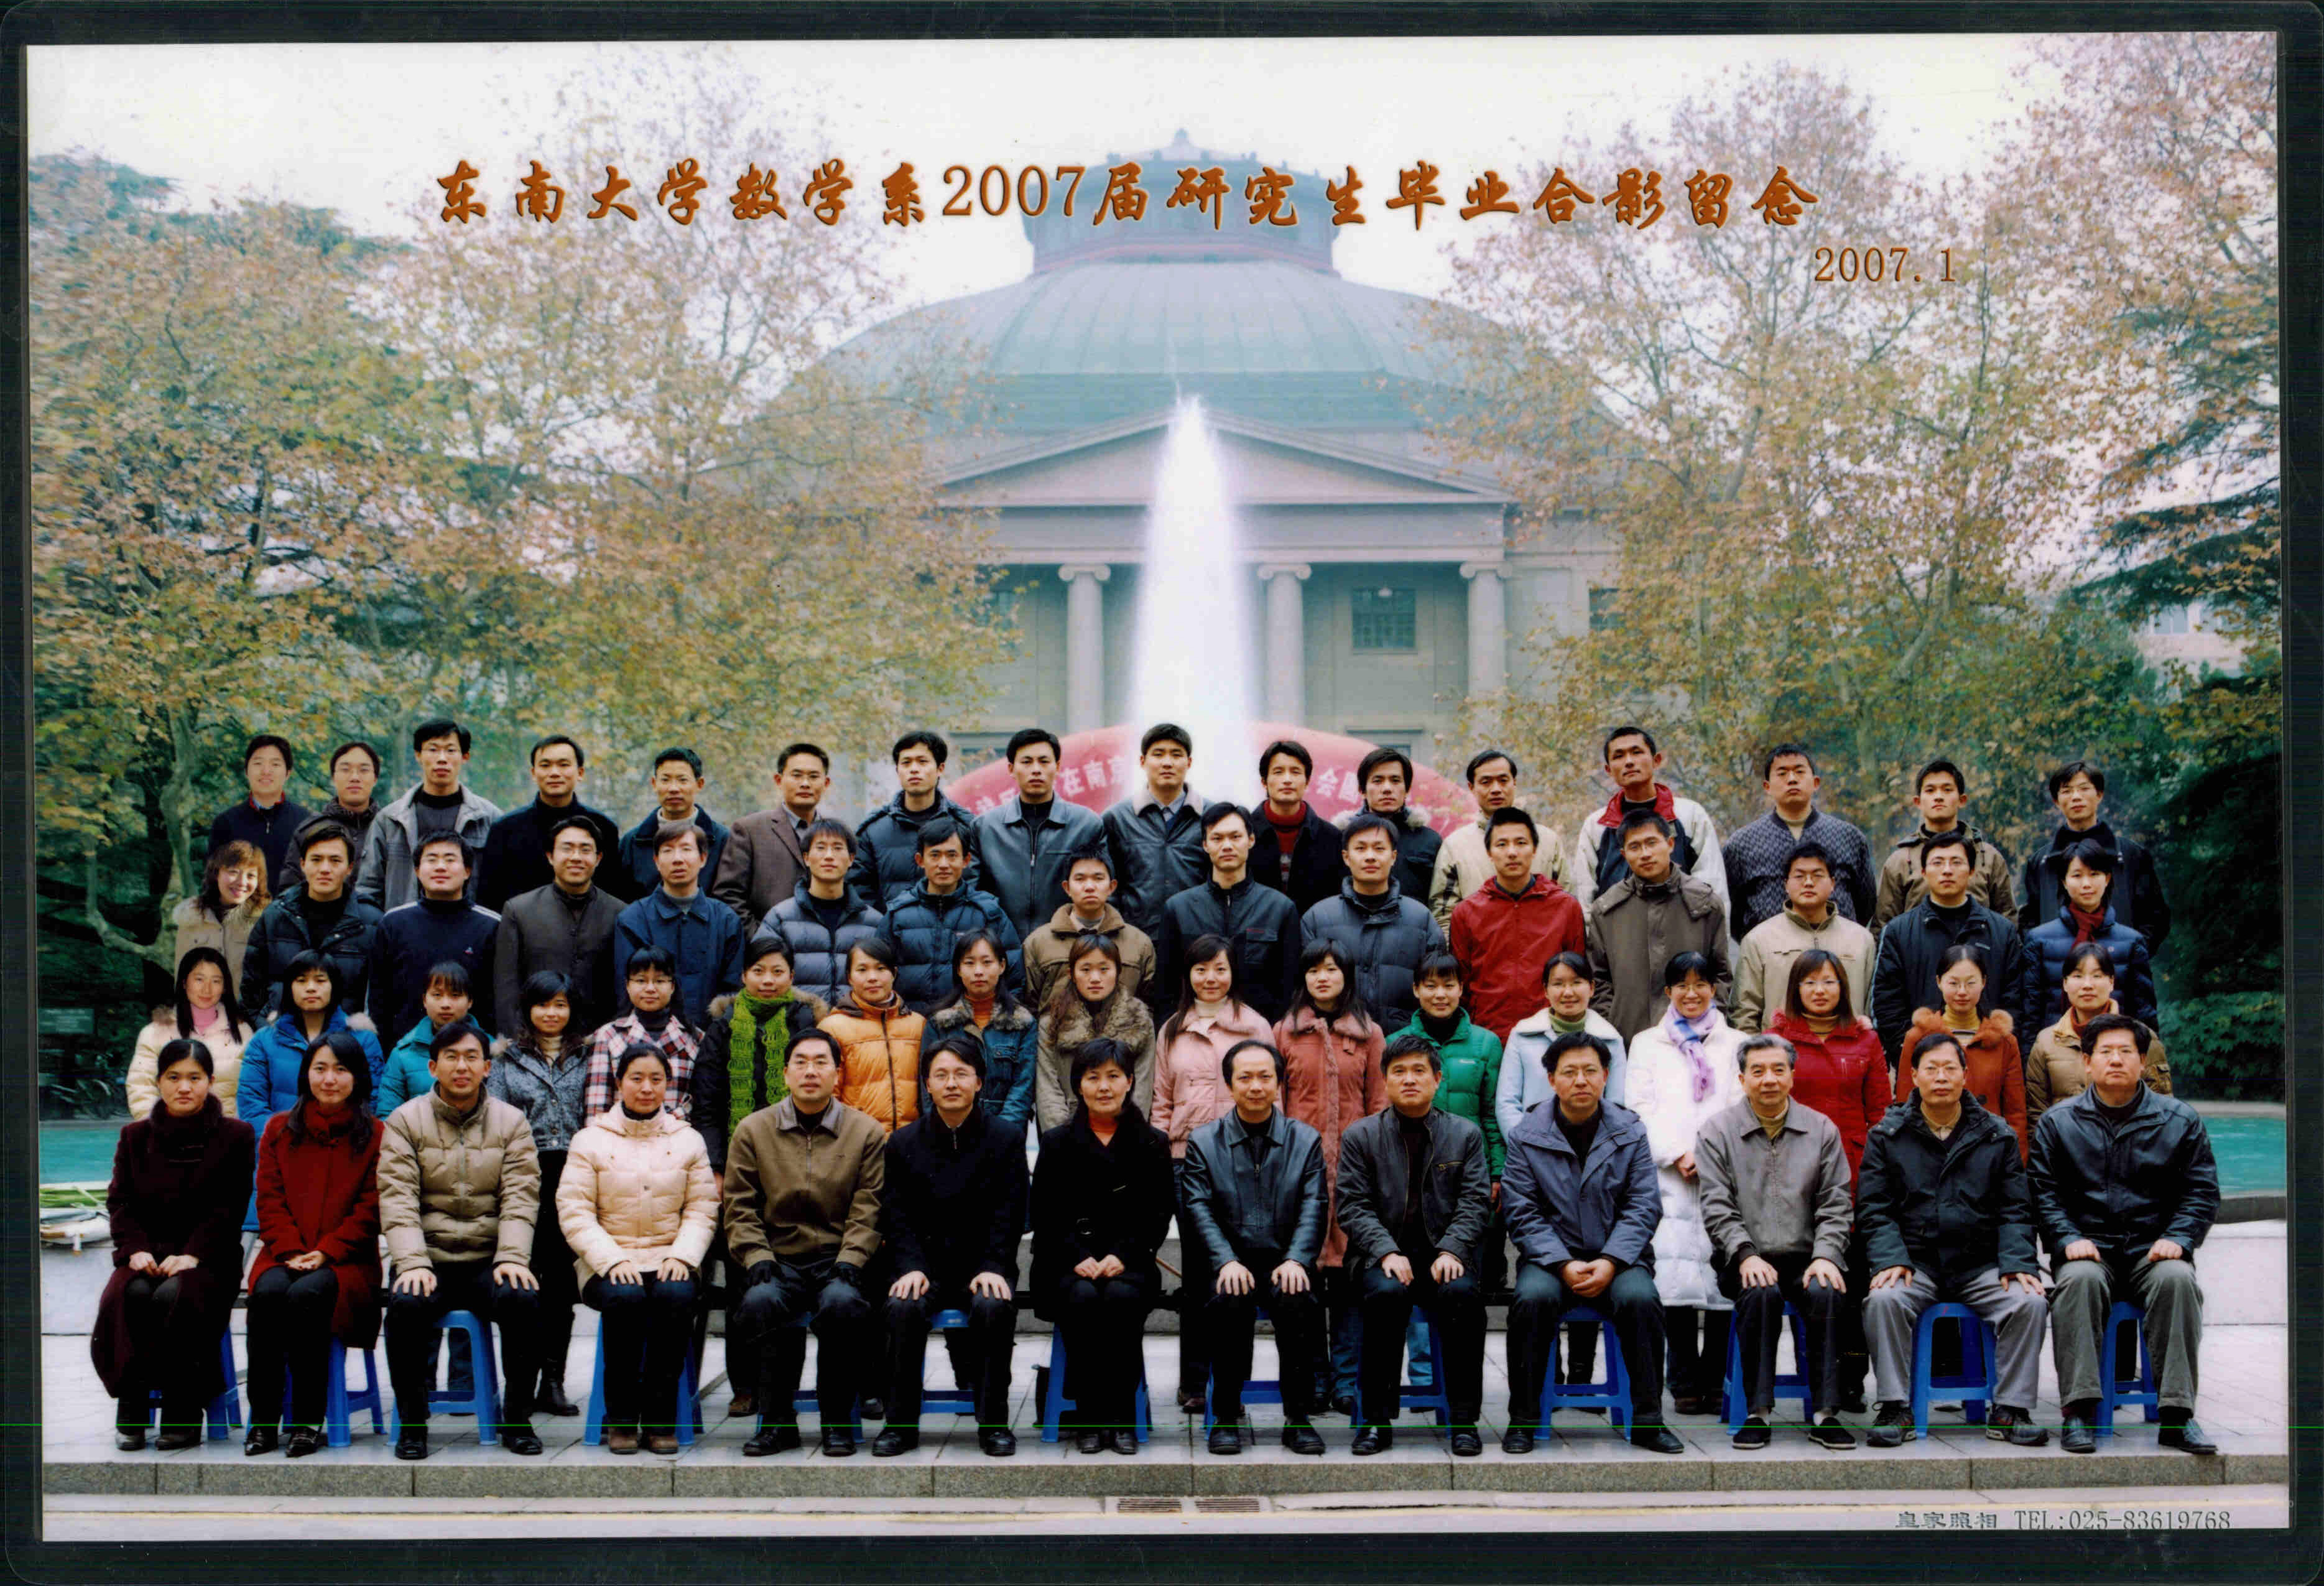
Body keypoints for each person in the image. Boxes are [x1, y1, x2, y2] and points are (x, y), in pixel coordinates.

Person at [2030, 1014, 2220, 1456]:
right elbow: (2041, 1192)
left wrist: (2179, 1237)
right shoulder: (2058, 1123)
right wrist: (2066, 1238)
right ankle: (2078, 1411)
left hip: (2152, 1251)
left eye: (2126, 1052)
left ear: (2143, 1061)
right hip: (2088, 1249)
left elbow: (2202, 1191)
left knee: (2178, 1280)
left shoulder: (2179, 1120)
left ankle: (2177, 1415)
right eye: (2105, 1052)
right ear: (2087, 1062)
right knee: (2078, 1281)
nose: (2115, 1060)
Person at [1857, 1032, 2050, 1449]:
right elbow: (1874, 1208)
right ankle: (1895, 1406)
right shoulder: (1888, 1134)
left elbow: (2016, 1208)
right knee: (1884, 1300)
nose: (1941, 1077)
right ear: (1914, 1076)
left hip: (1980, 1264)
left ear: (1965, 1074)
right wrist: (1890, 1258)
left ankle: (2011, 1409)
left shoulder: (1996, 1134)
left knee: (2029, 1301)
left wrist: (2017, 1262)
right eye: (1931, 1069)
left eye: (1949, 1068)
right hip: (1916, 1264)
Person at [1499, 1032, 1683, 1455]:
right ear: (1551, 1080)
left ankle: (1648, 1421)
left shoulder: (1630, 1130)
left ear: (1605, 1076)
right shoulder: (1527, 1134)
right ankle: (1523, 1420)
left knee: (1640, 1300)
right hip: (1550, 1261)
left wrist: (1611, 1260)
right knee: (1531, 1301)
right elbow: (1521, 1210)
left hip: (1619, 1259)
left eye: (1589, 1071)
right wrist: (1562, 1263)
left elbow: (1643, 1204)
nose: (1580, 1080)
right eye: (1569, 1072)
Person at [377, 1021, 546, 1460]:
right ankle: (413, 1424)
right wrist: (412, 1262)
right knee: (405, 1305)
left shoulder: (511, 1122)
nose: (461, 1066)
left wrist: (512, 1257)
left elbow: (521, 1197)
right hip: (428, 1258)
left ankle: (517, 1419)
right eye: (450, 1057)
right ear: (433, 1067)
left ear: (487, 1067)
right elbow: (397, 1199)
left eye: (472, 1057)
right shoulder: (404, 1120)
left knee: (524, 1298)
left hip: (487, 1260)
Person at [721, 1028, 885, 1458]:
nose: (810, 1072)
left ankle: (836, 1422)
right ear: (785, 1073)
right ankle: (778, 1423)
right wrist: (756, 1255)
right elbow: (738, 1205)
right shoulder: (753, 1130)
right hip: (778, 1259)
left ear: (837, 1073)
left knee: (842, 1304)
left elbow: (869, 1205)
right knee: (761, 1302)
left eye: (820, 1062)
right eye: (801, 1062)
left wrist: (853, 1258)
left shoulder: (865, 1132)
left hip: (838, 1259)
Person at [1693, 1031, 1857, 1450]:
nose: (1769, 1079)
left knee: (1827, 1291)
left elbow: (1836, 1202)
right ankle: (1758, 1412)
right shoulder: (1717, 1132)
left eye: (1778, 1070)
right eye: (1758, 1071)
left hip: (1808, 1257)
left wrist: (1827, 1255)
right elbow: (1716, 1207)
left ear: (1792, 1076)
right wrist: (1745, 1254)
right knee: (1760, 1292)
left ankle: (1825, 1413)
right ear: (1742, 1079)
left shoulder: (1821, 1129)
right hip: (1745, 1258)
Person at [91, 1039, 255, 1452]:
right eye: (174, 1077)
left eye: (194, 1078)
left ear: (210, 1082)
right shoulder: (134, 1137)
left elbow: (229, 1206)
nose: (184, 1087)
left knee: (173, 1296)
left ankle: (183, 1412)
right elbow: (120, 1202)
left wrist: (193, 1254)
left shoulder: (236, 1135)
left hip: (210, 1257)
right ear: (159, 1082)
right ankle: (131, 1409)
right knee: (129, 1293)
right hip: (146, 1254)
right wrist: (134, 1250)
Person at [1336, 1031, 1493, 1457]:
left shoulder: (1464, 1134)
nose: (1409, 1079)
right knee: (1385, 1296)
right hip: (1380, 1257)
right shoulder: (1361, 1136)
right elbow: (1352, 1205)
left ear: (1437, 1080)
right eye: (1399, 1071)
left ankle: (1463, 1421)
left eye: (1419, 1071)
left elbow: (1476, 1202)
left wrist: (1453, 1248)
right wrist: (1385, 1250)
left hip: (1445, 1255)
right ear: (1384, 1080)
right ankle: (1375, 1420)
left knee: (1462, 1297)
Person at [690, 937, 829, 1417]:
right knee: (743, 1279)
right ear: (743, 976)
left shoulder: (806, 1024)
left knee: (795, 1278)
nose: (768, 980)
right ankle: (746, 1384)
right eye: (758, 971)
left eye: (777, 971)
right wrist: (716, 1168)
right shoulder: (723, 1026)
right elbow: (707, 1104)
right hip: (740, 1170)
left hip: (797, 1167)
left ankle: (792, 1386)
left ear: (792, 976)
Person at [557, 1042, 719, 1454]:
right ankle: (622, 1419)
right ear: (619, 1083)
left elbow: (702, 1208)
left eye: (656, 1079)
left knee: (676, 1296)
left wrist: (682, 1256)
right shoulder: (590, 1140)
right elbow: (575, 1211)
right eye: (637, 1078)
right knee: (625, 1298)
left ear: (668, 1085)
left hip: (670, 1256)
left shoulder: (688, 1140)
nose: (646, 1088)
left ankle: (661, 1420)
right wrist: (610, 1259)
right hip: (608, 1260)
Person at [875, 1029, 1029, 1457]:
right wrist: (910, 1266)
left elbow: (1011, 1213)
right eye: (940, 1075)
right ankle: (900, 1424)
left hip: (983, 1266)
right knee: (902, 1307)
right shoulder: (903, 1143)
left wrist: (994, 1266)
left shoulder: (1005, 1139)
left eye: (962, 1074)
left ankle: (993, 1423)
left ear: (979, 1081)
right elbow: (896, 1215)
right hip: (924, 1267)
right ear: (927, 1084)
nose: (951, 1084)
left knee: (993, 1305)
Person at [1180, 1040, 1330, 1457]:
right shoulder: (1204, 1141)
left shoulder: (1304, 1139)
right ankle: (1226, 1416)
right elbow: (1197, 1207)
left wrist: (1297, 1258)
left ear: (1279, 1082)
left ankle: (1297, 1418)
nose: (1256, 1086)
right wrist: (1225, 1260)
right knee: (1230, 1299)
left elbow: (1315, 1204)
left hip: (1286, 1260)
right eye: (1244, 1077)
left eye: (1265, 1076)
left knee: (1297, 1298)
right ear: (1229, 1085)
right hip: (1230, 1263)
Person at [1029, 1039, 1176, 1455]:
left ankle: (1123, 1418)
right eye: (1093, 1077)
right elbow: (1044, 1213)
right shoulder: (1057, 1142)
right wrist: (1078, 1257)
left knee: (1120, 1298)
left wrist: (1122, 1256)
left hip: (1130, 1262)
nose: (1104, 1087)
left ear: (1130, 1081)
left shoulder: (1152, 1142)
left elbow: (1158, 1214)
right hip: (1065, 1263)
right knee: (1081, 1299)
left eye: (1114, 1076)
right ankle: (1090, 1418)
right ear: (1079, 1085)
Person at [1148, 933, 1275, 1411]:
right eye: (1201, 969)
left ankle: (1230, 1383)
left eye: (1219, 968)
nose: (1210, 978)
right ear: (1188, 974)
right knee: (1200, 1273)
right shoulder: (1172, 1029)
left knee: (1234, 1272)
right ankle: (1194, 1382)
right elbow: (1161, 1102)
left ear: (1232, 972)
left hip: (1245, 1163)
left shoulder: (1254, 1026)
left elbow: (1273, 1096)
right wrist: (1163, 1158)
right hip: (1186, 1162)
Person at [243, 1031, 382, 1457]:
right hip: (283, 1253)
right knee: (267, 1292)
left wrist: (327, 1251)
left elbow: (371, 1207)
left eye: (341, 1070)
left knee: (308, 1294)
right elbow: (269, 1199)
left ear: (357, 1077)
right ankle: (263, 1420)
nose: (329, 1079)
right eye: (320, 1068)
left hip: (346, 1261)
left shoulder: (376, 1134)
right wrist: (289, 1250)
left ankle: (307, 1420)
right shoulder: (278, 1129)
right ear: (306, 1074)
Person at [1767, 949, 1892, 1411]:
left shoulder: (1864, 1039)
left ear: (1843, 987)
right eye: (1810, 982)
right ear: (1795, 989)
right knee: (1808, 1280)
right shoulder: (1778, 1039)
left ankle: (1852, 1378)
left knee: (1854, 1284)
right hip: (1791, 1173)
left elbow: (1881, 1112)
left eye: (1829, 982)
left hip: (1855, 1171)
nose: (1820, 991)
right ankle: (1815, 1377)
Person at [1624, 952, 1746, 1414]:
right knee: (1672, 1279)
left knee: (1720, 1280)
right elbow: (1638, 1107)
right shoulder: (1646, 1043)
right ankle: (1681, 1380)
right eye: (1681, 985)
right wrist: (1676, 1152)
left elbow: (1740, 1104)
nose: (1691, 994)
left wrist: (1710, 1156)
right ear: (1668, 991)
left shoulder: (1737, 1042)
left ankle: (1715, 1379)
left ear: (1714, 989)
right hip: (1667, 1173)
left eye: (1700, 984)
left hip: (1724, 1173)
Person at [1272, 939, 1387, 1414]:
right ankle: (1315, 1377)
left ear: (1347, 976)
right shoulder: (1284, 1032)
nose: (1322, 978)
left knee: (1347, 1283)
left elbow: (1379, 1105)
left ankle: (1345, 1379)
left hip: (1354, 1178)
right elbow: (1276, 1105)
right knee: (1306, 1279)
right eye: (1314, 970)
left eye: (1332, 969)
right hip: (1300, 1177)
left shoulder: (1369, 1034)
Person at [486, 972, 594, 1420]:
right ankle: (522, 1382)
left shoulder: (590, 1055)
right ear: (528, 1009)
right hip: (523, 1176)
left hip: (574, 1176)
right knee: (525, 1281)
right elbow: (495, 1120)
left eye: (560, 1004)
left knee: (561, 1285)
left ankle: (553, 1380)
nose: (552, 1013)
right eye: (543, 1004)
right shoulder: (507, 1059)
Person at [1398, 952, 1506, 1307]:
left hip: (1468, 1171)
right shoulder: (1396, 1042)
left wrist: (1497, 1172)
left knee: (1463, 1280)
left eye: (1448, 985)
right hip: (1412, 1170)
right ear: (1416, 990)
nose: (1440, 995)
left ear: (1462, 989)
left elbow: (1491, 1114)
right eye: (1430, 986)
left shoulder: (1486, 1043)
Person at [1868, 831, 2027, 1064]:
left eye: (1956, 862)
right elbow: (1886, 1003)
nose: (1947, 870)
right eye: (1938, 863)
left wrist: (1996, 1050)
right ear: (1924, 872)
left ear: (1972, 871)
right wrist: (1911, 1052)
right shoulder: (1898, 932)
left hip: (1988, 1061)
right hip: (1922, 1064)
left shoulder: (2002, 932)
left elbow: (2016, 999)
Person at [1585, 810, 1732, 1046]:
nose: (1645, 854)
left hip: (1695, 1040)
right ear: (1623, 854)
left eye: (1652, 843)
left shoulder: (1705, 904)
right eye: (1635, 847)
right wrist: (1611, 1026)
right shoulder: (1607, 910)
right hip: (1627, 1039)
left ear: (1670, 844)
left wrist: (1707, 1025)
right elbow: (1598, 979)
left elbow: (1721, 974)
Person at [239, 954, 383, 1189]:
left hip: (343, 1159)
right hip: (279, 1159)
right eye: (301, 980)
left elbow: (372, 1101)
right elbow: (251, 1105)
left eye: (320, 980)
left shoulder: (364, 1040)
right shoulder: (264, 1040)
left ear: (334, 985)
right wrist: (290, 1141)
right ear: (289, 987)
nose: (311, 988)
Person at [1151, 805, 1302, 1023]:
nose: (1227, 846)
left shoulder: (1280, 909)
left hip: (1259, 1034)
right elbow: (1166, 990)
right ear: (1205, 845)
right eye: (1217, 838)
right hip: (1194, 1032)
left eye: (1235, 837)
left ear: (1251, 840)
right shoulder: (1178, 909)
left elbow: (1289, 989)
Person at [1447, 807, 1586, 1041]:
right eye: (1501, 845)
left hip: (1551, 1035)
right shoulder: (1466, 913)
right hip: (1487, 1037)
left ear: (1535, 849)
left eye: (1521, 843)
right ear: (1489, 853)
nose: (1512, 852)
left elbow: (1578, 976)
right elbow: (1461, 985)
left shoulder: (1566, 908)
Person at [1567, 726, 1730, 924]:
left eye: (1637, 752)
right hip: (1618, 933)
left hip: (1681, 931)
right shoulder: (1597, 826)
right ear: (1609, 770)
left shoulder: (1689, 815)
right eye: (1619, 756)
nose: (1629, 762)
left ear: (1656, 760)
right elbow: (1585, 894)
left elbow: (1714, 887)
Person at [1300, 813, 1447, 1032]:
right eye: (1360, 849)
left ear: (1394, 857)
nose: (1370, 857)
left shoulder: (1421, 919)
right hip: (1336, 1040)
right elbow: (1303, 992)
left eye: (1379, 849)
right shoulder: (1317, 918)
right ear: (1346, 857)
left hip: (1405, 1042)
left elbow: (1438, 987)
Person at [1721, 743, 1877, 939]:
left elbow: (1866, 904)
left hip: (1838, 950)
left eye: (1799, 771)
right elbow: (1732, 912)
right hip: (1770, 951)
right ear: (1767, 787)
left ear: (1816, 782)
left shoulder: (1849, 837)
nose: (1792, 779)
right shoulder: (1741, 844)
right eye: (1782, 773)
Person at [491, 813, 624, 1041]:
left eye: (585, 850)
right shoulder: (519, 911)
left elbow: (624, 987)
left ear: (598, 858)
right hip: (533, 1040)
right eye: (567, 849)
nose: (576, 857)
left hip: (600, 1041)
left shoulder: (620, 913)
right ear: (550, 856)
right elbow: (506, 987)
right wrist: (517, 1041)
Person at [2021, 761, 2172, 950]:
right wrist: (2045, 957)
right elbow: (2029, 922)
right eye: (2067, 791)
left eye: (2084, 789)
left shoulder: (2131, 855)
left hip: (2118, 965)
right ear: (2056, 801)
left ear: (2099, 794)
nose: (2076, 797)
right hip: (2056, 966)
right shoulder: (2041, 861)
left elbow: (2155, 919)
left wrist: (2129, 955)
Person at [974, 726, 1106, 943]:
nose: (1036, 770)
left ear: (1058, 767)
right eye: (1026, 762)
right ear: (1011, 769)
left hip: (1068, 947)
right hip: (1000, 947)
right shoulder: (985, 828)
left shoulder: (1086, 825)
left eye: (1044, 762)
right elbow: (972, 895)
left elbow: (1103, 892)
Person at [357, 718, 502, 912]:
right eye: (433, 750)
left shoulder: (490, 818)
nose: (442, 758)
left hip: (472, 927)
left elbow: (503, 885)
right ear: (418, 755)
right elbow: (368, 888)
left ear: (465, 756)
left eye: (450, 750)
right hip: (403, 927)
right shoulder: (390, 819)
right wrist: (383, 926)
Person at [241, 821, 382, 1020]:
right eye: (316, 859)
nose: (325, 869)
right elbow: (251, 992)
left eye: (335, 860)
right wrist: (266, 1030)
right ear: (303, 864)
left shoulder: (371, 922)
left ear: (350, 868)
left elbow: (381, 997)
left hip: (346, 1035)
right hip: (280, 1032)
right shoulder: (276, 916)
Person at [1732, 842, 1877, 1034]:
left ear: (1833, 883)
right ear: (1786, 884)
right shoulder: (1758, 940)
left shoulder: (1862, 940)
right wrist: (1761, 1051)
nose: (1808, 883)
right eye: (1799, 876)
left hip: (1847, 1048)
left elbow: (1872, 1008)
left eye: (1818, 875)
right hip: (1782, 1049)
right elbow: (1744, 1014)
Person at [1898, 944, 2030, 1155]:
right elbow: (1905, 1105)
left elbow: (2016, 1114)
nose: (1962, 992)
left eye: (1971, 983)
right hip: (1932, 1152)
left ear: (1984, 982)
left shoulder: (2004, 1041)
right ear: (1939, 982)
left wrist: (2015, 1162)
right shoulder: (1918, 1038)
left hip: (1990, 1152)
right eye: (1953, 983)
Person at [613, 822, 748, 1027]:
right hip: (649, 1037)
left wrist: (715, 1039)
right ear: (656, 861)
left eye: (686, 849)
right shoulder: (633, 919)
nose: (678, 859)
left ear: (703, 859)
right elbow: (627, 992)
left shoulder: (726, 920)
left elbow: (733, 992)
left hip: (714, 1038)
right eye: (668, 851)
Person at [2019, 840, 2160, 1036]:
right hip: (2056, 1046)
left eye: (2094, 874)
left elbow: (2145, 1014)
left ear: (2107, 879)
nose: (2086, 884)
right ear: (2064, 882)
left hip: (2115, 1047)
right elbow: (2030, 1015)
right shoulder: (2039, 940)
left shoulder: (2132, 942)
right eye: (2077, 875)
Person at [2027, 944, 2172, 1128]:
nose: (2087, 985)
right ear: (2065, 983)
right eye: (2078, 976)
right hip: (2066, 1144)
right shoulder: (2046, 1042)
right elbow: (2036, 1116)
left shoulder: (2141, 1037)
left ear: (2111, 982)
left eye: (2097, 976)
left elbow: (2162, 1109)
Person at [367, 835, 499, 1038]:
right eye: (432, 860)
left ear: (467, 871)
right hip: (404, 1048)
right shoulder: (393, 923)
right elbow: (378, 998)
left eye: (450, 860)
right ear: (417, 871)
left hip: (473, 1048)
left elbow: (500, 998)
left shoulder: (491, 926)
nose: (440, 867)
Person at [885, 819, 1024, 1011]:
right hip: (909, 1022)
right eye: (935, 855)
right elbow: (879, 972)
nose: (944, 864)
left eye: (952, 855)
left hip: (971, 1023)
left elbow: (1014, 978)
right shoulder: (898, 914)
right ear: (920, 860)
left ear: (966, 860)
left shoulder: (989, 913)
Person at [475, 735, 624, 913]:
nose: (554, 773)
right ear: (533, 773)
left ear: (580, 773)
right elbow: (489, 898)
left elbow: (614, 891)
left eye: (564, 765)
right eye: (545, 765)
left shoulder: (603, 827)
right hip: (521, 926)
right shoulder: (505, 829)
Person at [1871, 758, 2017, 930]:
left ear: (1962, 800)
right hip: (1918, 946)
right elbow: (1884, 926)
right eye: (1930, 790)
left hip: (1978, 945)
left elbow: (2008, 920)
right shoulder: (1901, 861)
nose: (1939, 797)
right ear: (1918, 802)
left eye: (1947, 790)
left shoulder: (1989, 857)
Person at [1034, 932, 1158, 1131]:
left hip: (1124, 1135)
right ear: (1072, 974)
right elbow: (1048, 1091)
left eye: (1104, 969)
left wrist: (1122, 1137)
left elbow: (1142, 1090)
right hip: (1066, 1133)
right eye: (1085, 970)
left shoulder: (1139, 1021)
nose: (1095, 978)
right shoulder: (1051, 1023)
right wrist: (1061, 1139)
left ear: (1118, 972)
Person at [851, 730, 985, 911]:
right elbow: (860, 891)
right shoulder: (873, 830)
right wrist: (885, 924)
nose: (914, 769)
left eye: (922, 762)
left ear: (940, 769)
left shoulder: (967, 825)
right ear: (898, 771)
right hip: (891, 926)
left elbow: (978, 885)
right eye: (906, 763)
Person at [761, 819, 889, 1009]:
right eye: (820, 848)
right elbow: (763, 980)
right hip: (796, 1023)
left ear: (851, 859)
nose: (829, 856)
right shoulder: (780, 918)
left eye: (838, 848)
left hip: (857, 1023)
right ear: (806, 858)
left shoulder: (874, 922)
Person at [1430, 748, 1565, 927]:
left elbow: (1566, 904)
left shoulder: (1548, 840)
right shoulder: (1455, 846)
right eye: (1486, 782)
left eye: (1503, 781)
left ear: (1514, 783)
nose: (1496, 789)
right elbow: (1444, 917)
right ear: (1472, 787)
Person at [712, 741, 835, 936]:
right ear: (779, 780)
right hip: (767, 947)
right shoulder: (749, 830)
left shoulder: (838, 835)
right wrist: (763, 941)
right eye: (797, 775)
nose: (805, 783)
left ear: (826, 783)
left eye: (814, 776)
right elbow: (728, 895)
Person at [1100, 722, 1210, 937]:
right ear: (1143, 761)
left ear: (1189, 762)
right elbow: (1107, 885)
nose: (1167, 763)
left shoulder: (1211, 817)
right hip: (1134, 939)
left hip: (1197, 940)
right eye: (1158, 755)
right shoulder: (1117, 818)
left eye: (1176, 755)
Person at [923, 932, 1037, 1137]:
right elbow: (928, 1086)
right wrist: (946, 1131)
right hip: (950, 1133)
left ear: (1002, 966)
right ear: (958, 969)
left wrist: (1001, 1134)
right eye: (969, 963)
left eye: (987, 962)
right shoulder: (939, 1022)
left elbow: (1023, 1086)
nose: (978, 971)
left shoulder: (1023, 1022)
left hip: (1005, 1133)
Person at [1022, 844, 1158, 1013]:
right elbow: (1028, 1007)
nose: (1089, 887)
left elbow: (1150, 1006)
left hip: (1122, 1030)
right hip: (1057, 1030)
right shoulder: (1038, 942)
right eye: (1080, 879)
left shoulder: (1139, 944)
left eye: (1098, 878)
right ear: (1067, 888)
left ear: (1112, 887)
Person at [1501, 952, 1632, 1127]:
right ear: (1546, 990)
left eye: (1577, 983)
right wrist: (1525, 1142)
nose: (1568, 992)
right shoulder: (1522, 1035)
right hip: (1531, 1139)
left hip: (1594, 1141)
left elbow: (1616, 1106)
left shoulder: (1610, 1040)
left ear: (1592, 988)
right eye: (1558, 984)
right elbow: (1507, 1104)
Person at [581, 947, 704, 1123]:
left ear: (672, 986)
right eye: (641, 980)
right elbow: (596, 1110)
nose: (650, 989)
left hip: (677, 1134)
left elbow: (702, 1104)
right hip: (619, 1135)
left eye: (660, 981)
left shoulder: (695, 1039)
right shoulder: (608, 1036)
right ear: (628, 985)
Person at [821, 937, 928, 1136]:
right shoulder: (833, 1027)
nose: (872, 978)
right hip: (858, 1140)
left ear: (894, 973)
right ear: (849, 977)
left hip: (911, 1140)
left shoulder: (918, 1025)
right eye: (862, 970)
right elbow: (827, 1095)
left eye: (881, 969)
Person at [129, 947, 251, 1118]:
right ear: (185, 983)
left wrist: (234, 1129)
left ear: (225, 987)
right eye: (199, 980)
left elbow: (253, 1090)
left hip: (226, 1130)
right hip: (169, 1131)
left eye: (216, 981)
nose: (207, 989)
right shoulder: (154, 1033)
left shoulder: (243, 1032)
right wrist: (158, 1128)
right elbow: (141, 1087)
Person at [616, 748, 732, 901]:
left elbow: (729, 895)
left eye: (682, 780)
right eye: (665, 780)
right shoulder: (632, 842)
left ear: (699, 784)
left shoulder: (722, 840)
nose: (673, 789)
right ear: (654, 784)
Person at [1251, 738, 1348, 918]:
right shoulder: (1244, 833)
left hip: (1314, 931)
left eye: (1295, 772)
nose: (1287, 780)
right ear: (1264, 781)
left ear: (1307, 781)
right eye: (1278, 772)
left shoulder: (1332, 838)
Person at [207, 734, 313, 894]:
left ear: (288, 773)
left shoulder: (306, 822)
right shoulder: (225, 823)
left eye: (275, 764)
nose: (266, 771)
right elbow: (213, 884)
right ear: (246, 771)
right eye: (258, 763)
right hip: (240, 909)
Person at [1341, 746, 1444, 906]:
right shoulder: (1341, 837)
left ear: (1407, 789)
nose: (1387, 789)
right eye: (1378, 781)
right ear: (1362, 790)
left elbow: (1439, 900)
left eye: (1395, 781)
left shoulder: (1430, 840)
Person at [171, 840, 269, 1003]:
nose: (242, 882)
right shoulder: (190, 917)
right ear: (216, 873)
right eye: (233, 872)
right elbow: (181, 978)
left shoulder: (267, 921)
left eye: (251, 875)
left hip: (249, 1015)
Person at [378, 962, 478, 1115]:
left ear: (470, 1001)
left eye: (455, 995)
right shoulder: (403, 1054)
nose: (446, 1004)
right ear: (425, 1000)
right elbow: (387, 1116)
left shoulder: (491, 1052)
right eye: (437, 995)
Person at [311, 741, 384, 881]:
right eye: (345, 770)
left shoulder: (390, 829)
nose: (355, 778)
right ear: (333, 778)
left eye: (364, 770)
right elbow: (292, 884)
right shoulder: (311, 828)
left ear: (375, 779)